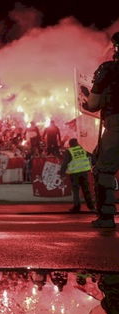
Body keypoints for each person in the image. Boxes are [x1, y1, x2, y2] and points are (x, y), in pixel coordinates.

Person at [84, 32, 119, 228]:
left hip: (116, 126)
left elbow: (93, 103)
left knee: (104, 170)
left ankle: (106, 217)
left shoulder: (108, 70)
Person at [60, 138, 95, 213]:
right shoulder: (82, 149)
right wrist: (94, 164)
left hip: (75, 173)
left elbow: (65, 162)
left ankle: (76, 207)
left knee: (76, 190)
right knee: (86, 190)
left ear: (70, 144)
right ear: (77, 143)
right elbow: (91, 156)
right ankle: (91, 206)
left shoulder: (69, 151)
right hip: (84, 172)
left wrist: (62, 172)